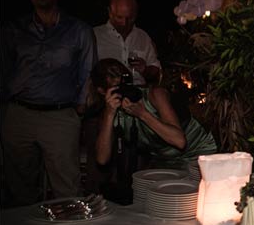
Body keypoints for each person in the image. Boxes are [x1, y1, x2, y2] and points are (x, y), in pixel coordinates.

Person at [0, 0, 97, 206]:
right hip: (19, 115)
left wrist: (81, 106)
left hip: (60, 116)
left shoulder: (78, 30)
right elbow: (1, 71)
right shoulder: (12, 30)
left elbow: (88, 71)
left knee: (67, 187)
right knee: (19, 186)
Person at [89, 58, 217, 181]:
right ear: (102, 91)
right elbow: (102, 159)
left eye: (124, 84)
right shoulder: (110, 112)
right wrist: (109, 113)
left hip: (196, 152)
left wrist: (143, 114)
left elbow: (179, 141)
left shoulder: (155, 94)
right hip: (164, 159)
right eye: (116, 88)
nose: (123, 91)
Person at [94, 0, 161, 86]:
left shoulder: (143, 37)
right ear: (110, 12)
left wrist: (145, 70)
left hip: (138, 92)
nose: (124, 23)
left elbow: (156, 73)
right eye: (119, 17)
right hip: (108, 93)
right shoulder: (95, 35)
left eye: (130, 18)